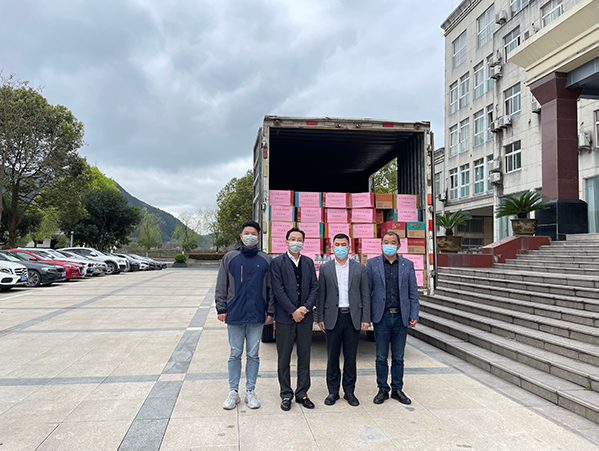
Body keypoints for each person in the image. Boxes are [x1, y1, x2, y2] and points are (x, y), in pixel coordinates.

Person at [215, 220, 274, 410]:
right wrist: (221, 308)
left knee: (253, 354)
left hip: (257, 314)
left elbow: (271, 288)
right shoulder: (230, 258)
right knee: (235, 353)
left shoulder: (266, 260)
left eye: (254, 234)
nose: (250, 236)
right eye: (247, 233)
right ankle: (233, 391)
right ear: (241, 236)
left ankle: (250, 391)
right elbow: (221, 284)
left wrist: (270, 310)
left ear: (258, 237)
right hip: (235, 313)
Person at [316, 233, 370, 407]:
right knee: (332, 357)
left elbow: (365, 295)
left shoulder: (359, 268)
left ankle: (349, 391)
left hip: (353, 317)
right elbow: (321, 295)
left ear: (349, 247)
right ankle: (333, 392)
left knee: (350, 358)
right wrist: (320, 317)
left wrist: (365, 318)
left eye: (343, 244)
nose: (340, 247)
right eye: (337, 244)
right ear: (332, 248)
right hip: (333, 317)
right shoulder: (325, 269)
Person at [366, 231, 419, 405]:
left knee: (398, 357)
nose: (389, 245)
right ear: (381, 244)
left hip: (401, 317)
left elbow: (413, 292)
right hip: (381, 316)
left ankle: (397, 389)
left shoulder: (407, 265)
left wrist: (414, 313)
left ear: (399, 245)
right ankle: (382, 389)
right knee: (381, 357)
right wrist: (366, 316)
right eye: (386, 242)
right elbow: (367, 292)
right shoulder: (372, 264)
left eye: (393, 242)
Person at [270, 227, 319, 411]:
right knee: (284, 357)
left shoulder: (308, 262)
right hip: (285, 318)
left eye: (299, 239)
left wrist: (305, 308)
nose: (296, 242)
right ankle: (286, 394)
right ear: (286, 241)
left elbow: (314, 287)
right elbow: (278, 289)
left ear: (303, 243)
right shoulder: (277, 263)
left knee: (304, 356)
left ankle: (302, 393)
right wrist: (293, 310)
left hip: (305, 317)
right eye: (293, 239)